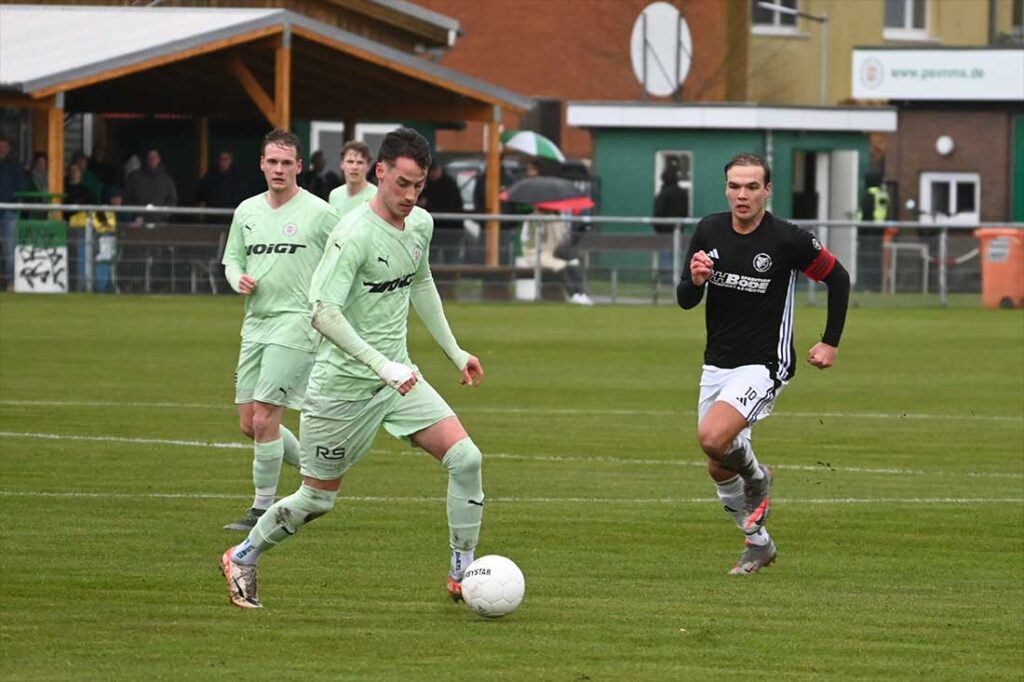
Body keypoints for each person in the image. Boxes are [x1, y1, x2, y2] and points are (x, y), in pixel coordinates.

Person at [220, 127, 486, 609]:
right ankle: (243, 555)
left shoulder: (420, 225)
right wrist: (381, 365)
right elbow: (322, 312)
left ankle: (461, 574)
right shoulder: (353, 234)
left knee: (466, 459)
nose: (410, 195)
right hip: (342, 389)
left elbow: (421, 283)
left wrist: (454, 352)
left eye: (418, 186)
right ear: (380, 172)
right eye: (402, 183)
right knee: (317, 501)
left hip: (399, 382)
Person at [676, 153, 849, 576]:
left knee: (713, 437)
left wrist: (830, 342)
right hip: (717, 364)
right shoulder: (709, 230)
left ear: (767, 190)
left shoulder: (787, 239)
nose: (742, 195)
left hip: (765, 363)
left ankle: (758, 477)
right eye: (735, 186)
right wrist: (695, 280)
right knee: (717, 461)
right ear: (726, 189)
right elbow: (685, 298)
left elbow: (838, 278)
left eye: (752, 187)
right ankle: (759, 544)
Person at [219, 129, 340, 532]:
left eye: (286, 162)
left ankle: (261, 509)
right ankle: (313, 465)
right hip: (256, 323)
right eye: (272, 161)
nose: (278, 169)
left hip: (297, 323)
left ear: (299, 167)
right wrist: (238, 279)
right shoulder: (247, 211)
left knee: (266, 417)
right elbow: (232, 259)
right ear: (261, 164)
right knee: (248, 422)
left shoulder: (320, 213)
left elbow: (345, 258)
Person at [519, 209, 593, 305]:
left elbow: (559, 240)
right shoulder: (533, 218)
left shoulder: (557, 219)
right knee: (560, 265)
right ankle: (572, 294)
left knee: (572, 264)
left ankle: (580, 293)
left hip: (550, 253)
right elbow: (530, 243)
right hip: (534, 254)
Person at [418, 160, 463, 263]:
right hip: (434, 228)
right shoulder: (428, 184)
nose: (432, 175)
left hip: (450, 229)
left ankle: (451, 277)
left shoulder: (449, 185)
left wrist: (428, 204)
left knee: (450, 256)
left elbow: (451, 205)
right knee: (431, 257)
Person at [0, 135, 26, 289]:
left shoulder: (15, 166)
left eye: (4, 147)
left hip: (9, 211)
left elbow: (21, 189)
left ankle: (10, 282)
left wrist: (17, 206)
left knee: (9, 249)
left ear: (9, 149)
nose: (1, 149)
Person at [123, 148, 177, 222]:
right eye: (150, 157)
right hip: (138, 222)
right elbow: (127, 197)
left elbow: (172, 200)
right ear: (146, 159)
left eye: (154, 157)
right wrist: (135, 214)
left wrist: (163, 215)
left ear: (159, 159)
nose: (152, 159)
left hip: (159, 222)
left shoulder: (166, 179)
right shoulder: (134, 177)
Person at [327, 140, 377, 218]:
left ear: (368, 166)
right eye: (350, 162)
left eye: (360, 162)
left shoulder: (376, 196)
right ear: (342, 164)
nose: (354, 167)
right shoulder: (334, 195)